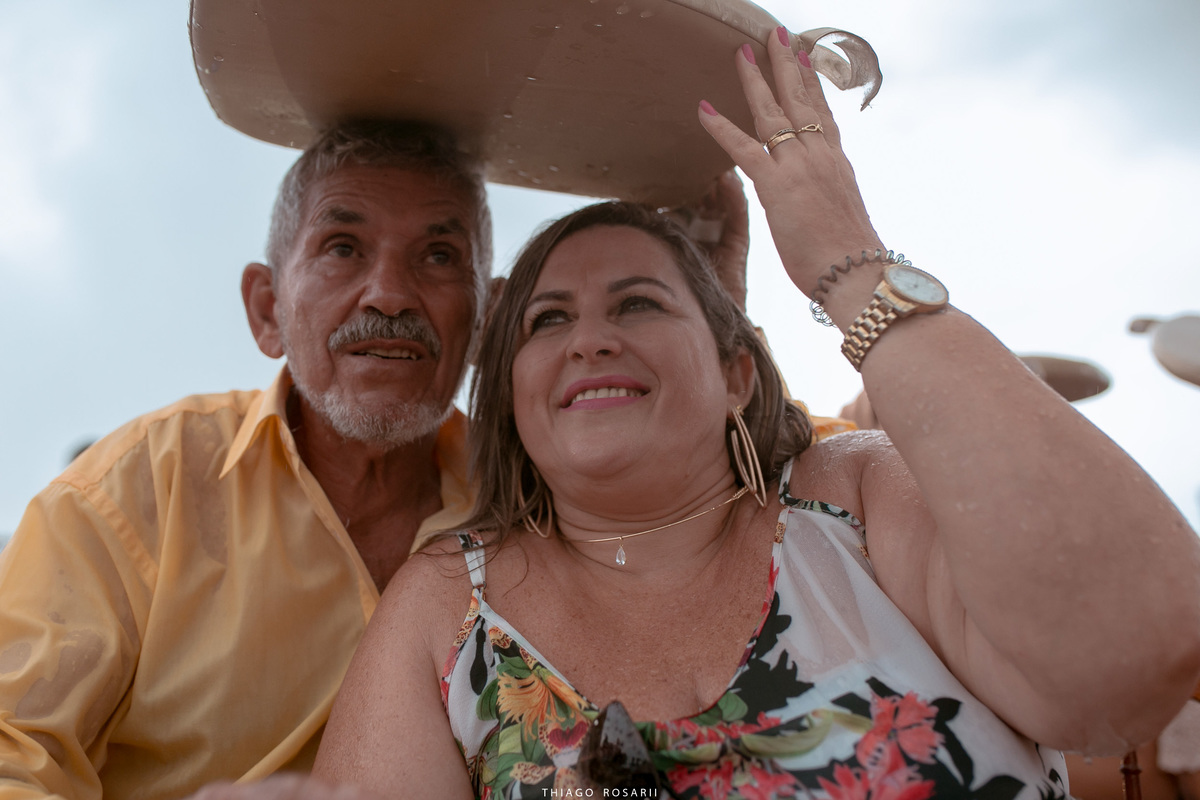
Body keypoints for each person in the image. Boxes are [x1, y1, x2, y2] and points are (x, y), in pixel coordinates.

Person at [310, 31, 1200, 799]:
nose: (590, 340)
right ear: (509, 391)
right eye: (548, 320)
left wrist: (846, 261)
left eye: (639, 304)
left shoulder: (856, 494)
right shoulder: (447, 604)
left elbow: (1133, 648)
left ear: (737, 372)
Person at [0, 121, 493, 800]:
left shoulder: (533, 511)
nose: (389, 294)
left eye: (438, 255)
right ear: (267, 311)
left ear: (483, 320)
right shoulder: (132, 493)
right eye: (343, 248)